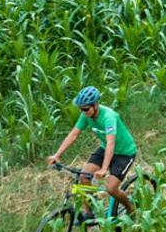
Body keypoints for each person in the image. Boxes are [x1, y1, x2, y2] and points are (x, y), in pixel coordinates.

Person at [47, 86, 137, 218]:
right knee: (84, 177)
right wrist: (57, 155)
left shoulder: (108, 117)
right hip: (106, 148)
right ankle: (89, 213)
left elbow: (111, 143)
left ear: (95, 105)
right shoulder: (85, 116)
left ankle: (131, 209)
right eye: (80, 109)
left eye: (86, 109)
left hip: (125, 152)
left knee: (111, 189)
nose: (83, 112)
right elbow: (73, 135)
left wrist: (104, 169)